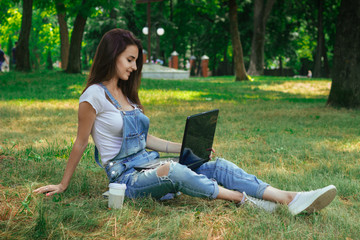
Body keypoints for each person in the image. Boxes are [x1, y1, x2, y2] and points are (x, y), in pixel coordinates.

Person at [34, 29, 337, 215]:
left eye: (136, 59)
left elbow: (147, 140)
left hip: (148, 165)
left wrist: (185, 147)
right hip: (126, 180)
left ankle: (290, 197)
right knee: (175, 170)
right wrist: (63, 184)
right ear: (112, 55)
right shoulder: (93, 96)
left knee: (213, 165)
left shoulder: (126, 95)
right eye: (129, 59)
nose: (134, 66)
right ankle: (243, 200)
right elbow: (80, 142)